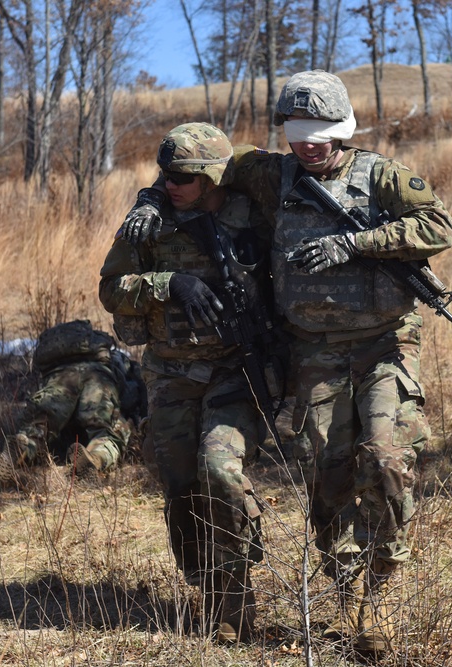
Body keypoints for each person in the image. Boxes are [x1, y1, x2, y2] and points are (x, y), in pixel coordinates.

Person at [121, 70, 452, 656]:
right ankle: (347, 592)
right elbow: (195, 168)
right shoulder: (270, 174)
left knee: (386, 458)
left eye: (322, 132)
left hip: (383, 344)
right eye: (298, 132)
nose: (309, 144)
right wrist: (149, 198)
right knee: (326, 483)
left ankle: (380, 599)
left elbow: (438, 226)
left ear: (345, 128)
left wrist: (356, 243)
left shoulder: (381, 176)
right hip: (311, 351)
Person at [100, 122, 278, 644]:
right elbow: (111, 289)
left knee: (219, 469)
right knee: (180, 487)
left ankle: (235, 599)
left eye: (183, 176)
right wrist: (170, 284)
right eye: (164, 175)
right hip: (172, 373)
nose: (170, 183)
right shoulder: (148, 225)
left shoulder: (251, 212)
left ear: (212, 177)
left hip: (233, 371)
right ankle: (205, 587)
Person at [0, 320, 144, 488]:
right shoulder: (120, 362)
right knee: (107, 433)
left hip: (59, 379)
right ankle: (95, 458)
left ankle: (20, 446)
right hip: (98, 382)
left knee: (38, 428)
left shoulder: (57, 363)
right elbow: (135, 395)